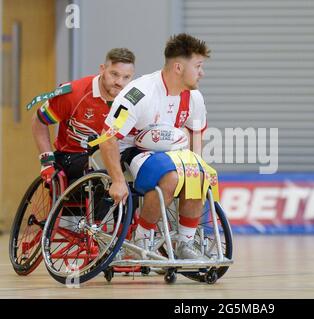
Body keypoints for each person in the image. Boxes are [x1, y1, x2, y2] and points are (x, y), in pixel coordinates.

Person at [99, 33, 214, 259]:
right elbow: (108, 138)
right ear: (179, 68)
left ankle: (185, 244)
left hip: (165, 151)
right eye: (198, 66)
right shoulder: (139, 93)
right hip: (131, 148)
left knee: (198, 174)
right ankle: (142, 239)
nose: (202, 73)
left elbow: (196, 133)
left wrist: (196, 166)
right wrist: (118, 181)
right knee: (170, 177)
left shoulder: (194, 97)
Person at [32, 48, 135, 184]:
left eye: (126, 77)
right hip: (74, 155)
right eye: (114, 74)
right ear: (102, 69)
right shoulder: (74, 93)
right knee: (103, 171)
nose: (119, 82)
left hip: (113, 154)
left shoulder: (133, 99)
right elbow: (39, 121)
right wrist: (46, 161)